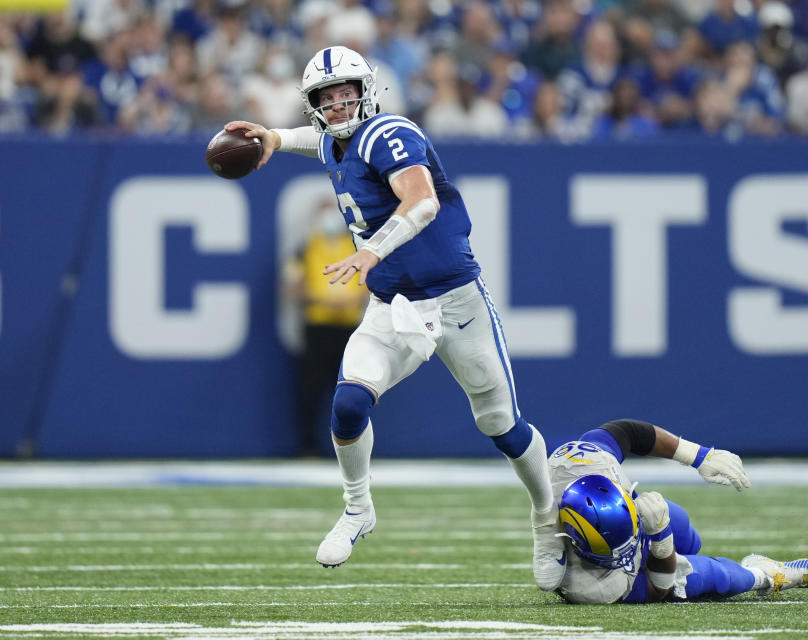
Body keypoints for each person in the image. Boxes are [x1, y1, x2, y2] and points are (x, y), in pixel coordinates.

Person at [224, 45, 567, 591]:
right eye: (327, 99)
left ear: (366, 92)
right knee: (350, 401)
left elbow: (423, 201)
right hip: (394, 306)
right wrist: (273, 136)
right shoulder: (340, 141)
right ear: (315, 104)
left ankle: (547, 520)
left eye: (346, 94)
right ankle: (358, 508)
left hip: (457, 302)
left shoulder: (390, 133)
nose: (339, 106)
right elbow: (323, 143)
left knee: (501, 424)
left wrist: (370, 251)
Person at [544, 418, 808, 603]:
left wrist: (696, 455)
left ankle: (667, 534)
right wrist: (660, 538)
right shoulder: (589, 587)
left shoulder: (579, 462)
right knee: (717, 578)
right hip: (612, 568)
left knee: (686, 531)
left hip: (627, 514)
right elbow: (660, 588)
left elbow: (628, 432)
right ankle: (767, 575)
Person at [283, 199, 368, 457]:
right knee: (311, 390)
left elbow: (372, 281)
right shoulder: (306, 247)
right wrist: (321, 299)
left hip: (350, 328)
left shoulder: (355, 246)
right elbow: (292, 284)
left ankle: (354, 448)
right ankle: (308, 446)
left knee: (352, 391)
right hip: (318, 326)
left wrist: (354, 300)